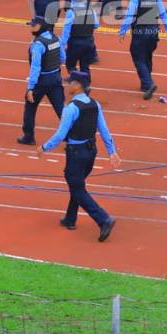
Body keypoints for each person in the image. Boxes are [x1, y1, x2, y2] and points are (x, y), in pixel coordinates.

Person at [41, 70, 120, 241]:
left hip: (76, 154)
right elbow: (104, 131)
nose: (66, 84)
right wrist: (112, 152)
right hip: (91, 152)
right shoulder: (95, 104)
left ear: (77, 86)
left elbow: (60, 135)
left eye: (70, 82)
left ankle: (103, 219)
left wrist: (44, 147)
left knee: (77, 187)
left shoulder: (70, 109)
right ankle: (70, 218)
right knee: (77, 184)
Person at [120, 0, 167, 99]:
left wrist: (123, 30)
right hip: (153, 32)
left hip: (140, 33)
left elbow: (129, 16)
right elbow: (163, 14)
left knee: (138, 57)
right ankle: (145, 83)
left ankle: (148, 83)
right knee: (148, 56)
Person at [16, 16, 66, 145]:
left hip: (41, 80)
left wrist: (31, 87)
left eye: (34, 25)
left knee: (30, 107)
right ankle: (71, 137)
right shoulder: (56, 38)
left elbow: (35, 67)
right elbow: (62, 57)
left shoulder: (38, 44)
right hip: (55, 78)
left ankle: (28, 136)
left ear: (41, 26)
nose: (31, 27)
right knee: (61, 109)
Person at [61, 0, 100, 75]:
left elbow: (67, 29)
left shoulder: (71, 11)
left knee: (71, 64)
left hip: (75, 41)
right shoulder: (92, 10)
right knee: (85, 65)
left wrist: (63, 43)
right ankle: (86, 85)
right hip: (89, 41)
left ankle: (76, 82)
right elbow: (96, 25)